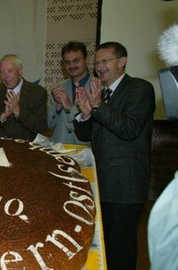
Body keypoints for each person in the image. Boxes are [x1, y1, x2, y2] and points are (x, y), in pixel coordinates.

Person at [73, 41, 155, 270]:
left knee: (121, 247)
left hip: (125, 184)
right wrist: (87, 114)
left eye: (105, 60)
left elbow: (129, 129)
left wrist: (98, 106)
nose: (99, 66)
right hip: (101, 182)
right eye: (97, 62)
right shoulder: (103, 93)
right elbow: (84, 134)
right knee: (103, 244)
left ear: (122, 61)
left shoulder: (140, 88)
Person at [0, 54, 47, 140]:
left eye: (10, 71)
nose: (5, 76)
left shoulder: (37, 92)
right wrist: (3, 116)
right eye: (2, 72)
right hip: (0, 147)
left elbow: (41, 126)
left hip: (26, 147)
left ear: (20, 71)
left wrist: (18, 111)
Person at [47, 41, 91, 145]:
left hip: (85, 151)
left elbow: (94, 127)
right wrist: (57, 108)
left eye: (76, 60)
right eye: (67, 62)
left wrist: (70, 108)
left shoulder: (99, 88)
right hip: (59, 149)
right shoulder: (58, 87)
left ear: (87, 59)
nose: (71, 66)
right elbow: (49, 123)